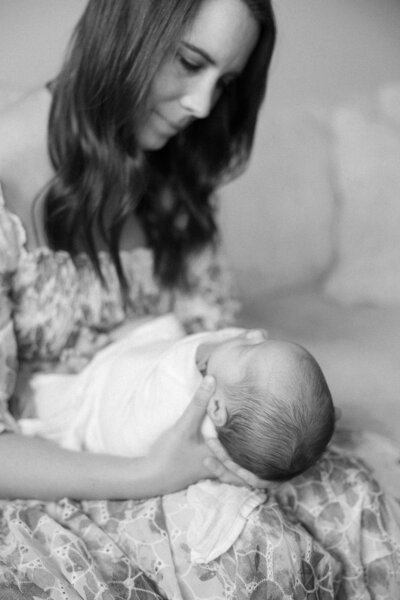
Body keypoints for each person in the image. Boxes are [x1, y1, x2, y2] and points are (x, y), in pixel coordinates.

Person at [1, 0, 400, 597]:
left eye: (227, 80)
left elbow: (215, 335)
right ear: (123, 29)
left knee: (350, 491)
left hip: (182, 433)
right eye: (190, 62)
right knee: (245, 549)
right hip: (66, 462)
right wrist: (148, 473)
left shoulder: (175, 165)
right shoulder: (5, 176)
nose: (203, 105)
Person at [22, 316, 335, 482]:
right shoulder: (236, 400)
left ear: (214, 407)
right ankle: (101, 350)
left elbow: (175, 365)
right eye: (266, 341)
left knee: (41, 397)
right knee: (169, 330)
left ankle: (78, 366)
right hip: (131, 372)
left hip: (90, 408)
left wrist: (199, 353)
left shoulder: (180, 402)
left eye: (250, 349)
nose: (255, 333)